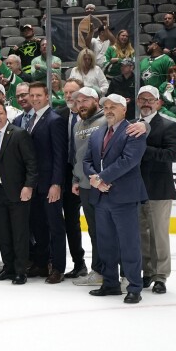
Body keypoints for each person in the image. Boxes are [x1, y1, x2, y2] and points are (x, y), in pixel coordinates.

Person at [82, 94, 148, 304]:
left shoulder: (133, 131)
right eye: (106, 106)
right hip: (101, 197)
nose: (108, 110)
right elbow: (86, 160)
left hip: (124, 197)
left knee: (129, 244)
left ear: (123, 109)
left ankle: (134, 287)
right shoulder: (97, 132)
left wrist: (101, 177)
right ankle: (110, 283)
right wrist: (95, 179)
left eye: (113, 107)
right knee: (106, 244)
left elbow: (128, 161)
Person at [18, 82, 68, 283]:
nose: (35, 98)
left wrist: (56, 183)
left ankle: (58, 267)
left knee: (55, 226)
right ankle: (41, 263)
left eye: (39, 95)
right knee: (38, 225)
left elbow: (59, 155)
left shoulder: (54, 120)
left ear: (47, 97)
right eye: (32, 95)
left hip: (49, 184)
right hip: (34, 183)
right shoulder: (31, 120)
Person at [0, 100, 37, 285]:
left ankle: (20, 270)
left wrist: (28, 185)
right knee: (3, 232)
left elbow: (31, 163)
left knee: (19, 233)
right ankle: (7, 268)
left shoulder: (19, 134)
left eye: (0, 113)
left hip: (17, 190)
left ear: (5, 114)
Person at [136, 86, 176, 295]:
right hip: (136, 190)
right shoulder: (131, 125)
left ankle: (160, 276)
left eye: (150, 99)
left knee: (158, 235)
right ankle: (146, 272)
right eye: (142, 99)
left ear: (158, 103)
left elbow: (172, 155)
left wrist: (142, 147)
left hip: (159, 190)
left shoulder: (168, 126)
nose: (146, 103)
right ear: (137, 102)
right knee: (140, 234)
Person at [70, 87, 107, 286]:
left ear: (96, 101)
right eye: (78, 101)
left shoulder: (106, 120)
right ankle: (99, 270)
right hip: (84, 185)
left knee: (104, 230)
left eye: (85, 100)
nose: (80, 105)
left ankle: (107, 271)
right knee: (94, 230)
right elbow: (78, 156)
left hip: (101, 185)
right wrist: (76, 179)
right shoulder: (77, 125)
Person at [57, 78, 88, 279]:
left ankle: (104, 267)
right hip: (65, 175)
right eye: (66, 92)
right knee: (70, 222)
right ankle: (79, 263)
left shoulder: (92, 116)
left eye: (73, 92)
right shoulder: (59, 115)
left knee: (96, 223)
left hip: (88, 174)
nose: (69, 96)